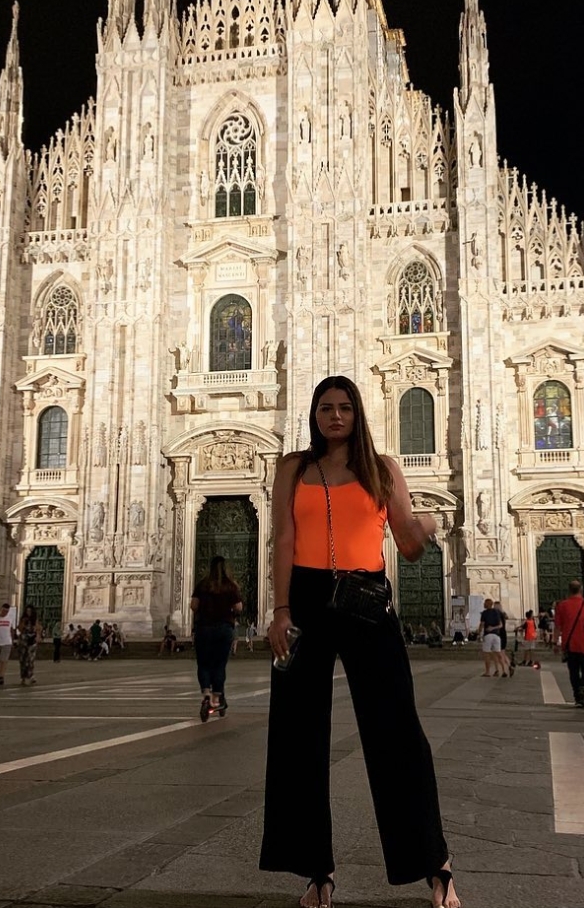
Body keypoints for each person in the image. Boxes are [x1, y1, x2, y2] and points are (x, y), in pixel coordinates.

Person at [261, 375, 460, 908]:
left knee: (396, 731)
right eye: (326, 407)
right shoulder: (292, 467)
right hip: (306, 601)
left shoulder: (382, 469)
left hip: (366, 597)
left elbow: (408, 545)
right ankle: (316, 870)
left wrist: (427, 524)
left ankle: (434, 863)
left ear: (357, 414)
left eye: (345, 407)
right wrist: (280, 610)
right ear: (314, 415)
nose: (335, 416)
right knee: (298, 737)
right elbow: (283, 538)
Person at [191, 555, 244, 721]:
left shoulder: (202, 584)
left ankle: (206, 695)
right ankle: (216, 699)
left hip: (204, 628)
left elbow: (193, 605)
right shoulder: (230, 586)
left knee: (204, 664)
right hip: (223, 629)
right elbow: (239, 607)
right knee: (219, 664)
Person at [553, 580, 584, 709]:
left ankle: (578, 697)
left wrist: (555, 643)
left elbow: (557, 627)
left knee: (573, 672)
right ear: (581, 590)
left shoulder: (562, 606)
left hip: (570, 646)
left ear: (569, 590)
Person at [476, 598, 510, 678]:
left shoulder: (484, 613)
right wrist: (494, 628)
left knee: (487, 654)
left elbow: (482, 624)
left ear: (487, 604)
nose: (483, 604)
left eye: (485, 603)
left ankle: (487, 672)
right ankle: (504, 670)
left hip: (488, 635)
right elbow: (500, 625)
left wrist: (479, 634)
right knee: (499, 653)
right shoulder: (497, 612)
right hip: (497, 636)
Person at [16, 605, 42, 685]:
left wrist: (38, 636)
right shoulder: (23, 619)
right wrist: (23, 623)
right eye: (27, 611)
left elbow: (38, 629)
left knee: (31, 659)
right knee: (23, 660)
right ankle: (23, 677)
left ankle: (31, 676)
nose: (28, 613)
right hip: (23, 640)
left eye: (30, 611)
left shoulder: (35, 620)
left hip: (32, 641)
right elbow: (20, 628)